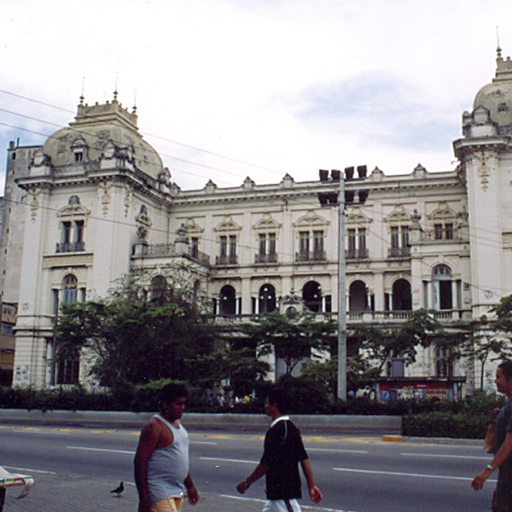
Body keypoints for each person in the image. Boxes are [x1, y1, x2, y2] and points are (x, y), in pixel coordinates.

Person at [236, 387, 323, 512]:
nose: (265, 406)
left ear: (274, 405)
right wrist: (311, 486)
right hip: (276, 494)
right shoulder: (292, 428)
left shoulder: (275, 431)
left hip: (282, 493)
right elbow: (304, 461)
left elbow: (265, 465)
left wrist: (246, 483)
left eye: (267, 402)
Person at [134, 383, 199, 512]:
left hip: (176, 491)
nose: (182, 408)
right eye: (178, 404)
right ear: (165, 405)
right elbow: (140, 462)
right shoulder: (155, 426)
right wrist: (144, 499)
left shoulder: (178, 426)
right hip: (159, 492)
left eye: (183, 404)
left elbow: (179, 460)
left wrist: (190, 486)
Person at [472, 360, 512, 511]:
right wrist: (498, 421)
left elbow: (510, 442)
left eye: (499, 377)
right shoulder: (507, 405)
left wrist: (488, 469)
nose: (495, 381)